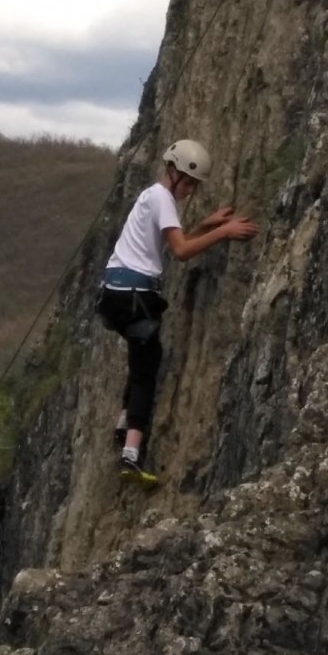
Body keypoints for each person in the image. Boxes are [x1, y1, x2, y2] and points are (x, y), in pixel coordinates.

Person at [96, 138, 260, 487]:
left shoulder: (150, 197)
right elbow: (183, 251)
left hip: (114, 292)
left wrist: (209, 225)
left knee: (140, 354)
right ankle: (131, 455)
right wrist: (225, 233)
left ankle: (124, 421)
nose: (189, 190)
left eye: (193, 185)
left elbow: (173, 240)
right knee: (147, 369)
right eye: (187, 182)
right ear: (171, 173)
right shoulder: (163, 198)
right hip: (135, 295)